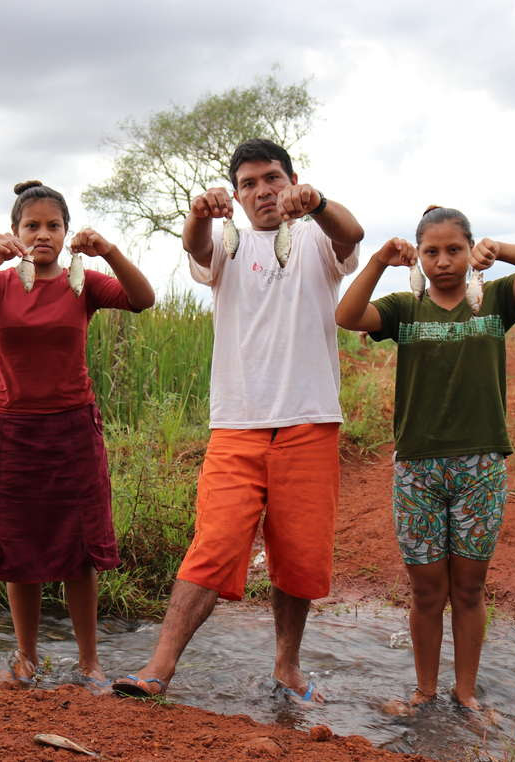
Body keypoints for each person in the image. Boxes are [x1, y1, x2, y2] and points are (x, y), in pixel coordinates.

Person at [113, 139, 363, 702]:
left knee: (299, 557)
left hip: (311, 422)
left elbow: (353, 234)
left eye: (271, 178)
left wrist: (318, 203)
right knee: (214, 543)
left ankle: (287, 667)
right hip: (237, 425)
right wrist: (197, 214)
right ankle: (158, 667)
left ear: (292, 179)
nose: (262, 191)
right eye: (248, 184)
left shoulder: (318, 239)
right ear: (239, 195)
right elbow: (197, 249)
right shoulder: (230, 245)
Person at [333, 206, 515, 710]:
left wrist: (501, 251)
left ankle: (465, 694)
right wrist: (376, 261)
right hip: (417, 467)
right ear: (419, 256)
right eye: (431, 252)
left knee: (469, 590)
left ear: (470, 251)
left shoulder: (496, 299)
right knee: (426, 593)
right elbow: (347, 317)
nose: (442, 261)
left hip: (480, 467)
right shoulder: (404, 306)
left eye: (454, 250)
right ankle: (424, 690)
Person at [0, 181, 155, 690]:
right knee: (19, 549)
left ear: (65, 232)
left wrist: (111, 250)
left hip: (72, 431)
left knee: (78, 550)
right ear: (15, 232)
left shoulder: (84, 282)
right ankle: (27, 656)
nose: (43, 234)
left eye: (53, 225)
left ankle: (89, 662)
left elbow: (142, 299)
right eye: (31, 226)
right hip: (11, 431)